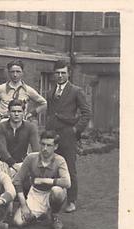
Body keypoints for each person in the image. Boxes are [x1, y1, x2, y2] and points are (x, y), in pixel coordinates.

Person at [46, 60, 91, 213]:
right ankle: (53, 198)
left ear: (68, 73)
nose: (60, 75)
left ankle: (71, 201)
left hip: (68, 135)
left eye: (63, 72)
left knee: (69, 168)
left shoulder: (76, 91)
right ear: (54, 74)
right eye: (57, 73)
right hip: (52, 136)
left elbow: (86, 113)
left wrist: (76, 130)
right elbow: (51, 113)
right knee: (51, 167)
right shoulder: (50, 92)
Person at [13, 130, 71, 229]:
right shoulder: (31, 158)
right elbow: (17, 180)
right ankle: (40, 214)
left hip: (51, 192)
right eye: (43, 144)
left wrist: (45, 180)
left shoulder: (60, 160)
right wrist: (23, 205)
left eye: (49, 145)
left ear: (55, 147)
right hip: (36, 193)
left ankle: (54, 215)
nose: (45, 148)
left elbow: (67, 182)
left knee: (57, 191)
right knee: (18, 222)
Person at [0, 99, 40, 184]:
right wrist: (14, 165)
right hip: (5, 162)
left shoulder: (30, 127)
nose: (16, 114)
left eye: (19, 111)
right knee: (5, 183)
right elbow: (2, 150)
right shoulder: (0, 127)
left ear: (23, 112)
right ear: (8, 113)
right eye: (13, 111)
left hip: (22, 162)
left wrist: (28, 166)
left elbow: (36, 149)